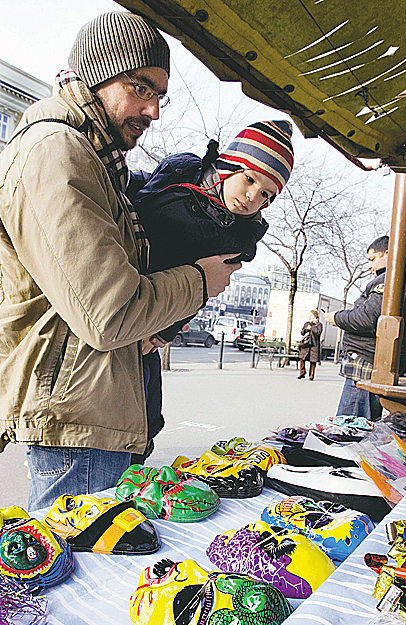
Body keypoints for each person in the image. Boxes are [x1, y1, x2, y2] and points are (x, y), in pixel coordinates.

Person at [0, 11, 242, 511]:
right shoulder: (57, 152)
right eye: (140, 88)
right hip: (78, 417)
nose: (154, 111)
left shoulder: (94, 157)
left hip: (91, 408)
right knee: (66, 575)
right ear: (96, 73)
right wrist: (201, 280)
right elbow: (107, 315)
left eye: (160, 95)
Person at [126, 120, 294, 452]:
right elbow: (135, 195)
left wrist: (164, 333)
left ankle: (135, 466)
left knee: (145, 417)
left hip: (158, 310)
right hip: (123, 282)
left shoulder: (238, 237)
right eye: (249, 179)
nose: (252, 197)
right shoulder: (180, 169)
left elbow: (204, 290)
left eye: (266, 195)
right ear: (229, 165)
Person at [324, 235, 406, 421]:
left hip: (369, 360)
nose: (369, 266)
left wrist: (337, 317)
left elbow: (368, 318)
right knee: (357, 423)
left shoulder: (394, 278)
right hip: (377, 359)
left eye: (372, 259)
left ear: (388, 253)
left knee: (351, 427)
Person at [298, 310, 323, 380]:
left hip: (314, 345)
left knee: (313, 361)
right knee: (302, 358)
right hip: (306, 344)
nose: (310, 317)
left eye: (311, 315)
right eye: (310, 315)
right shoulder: (307, 323)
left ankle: (311, 375)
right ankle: (302, 373)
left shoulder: (319, 325)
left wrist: (311, 328)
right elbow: (302, 332)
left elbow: (318, 332)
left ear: (315, 316)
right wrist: (305, 330)